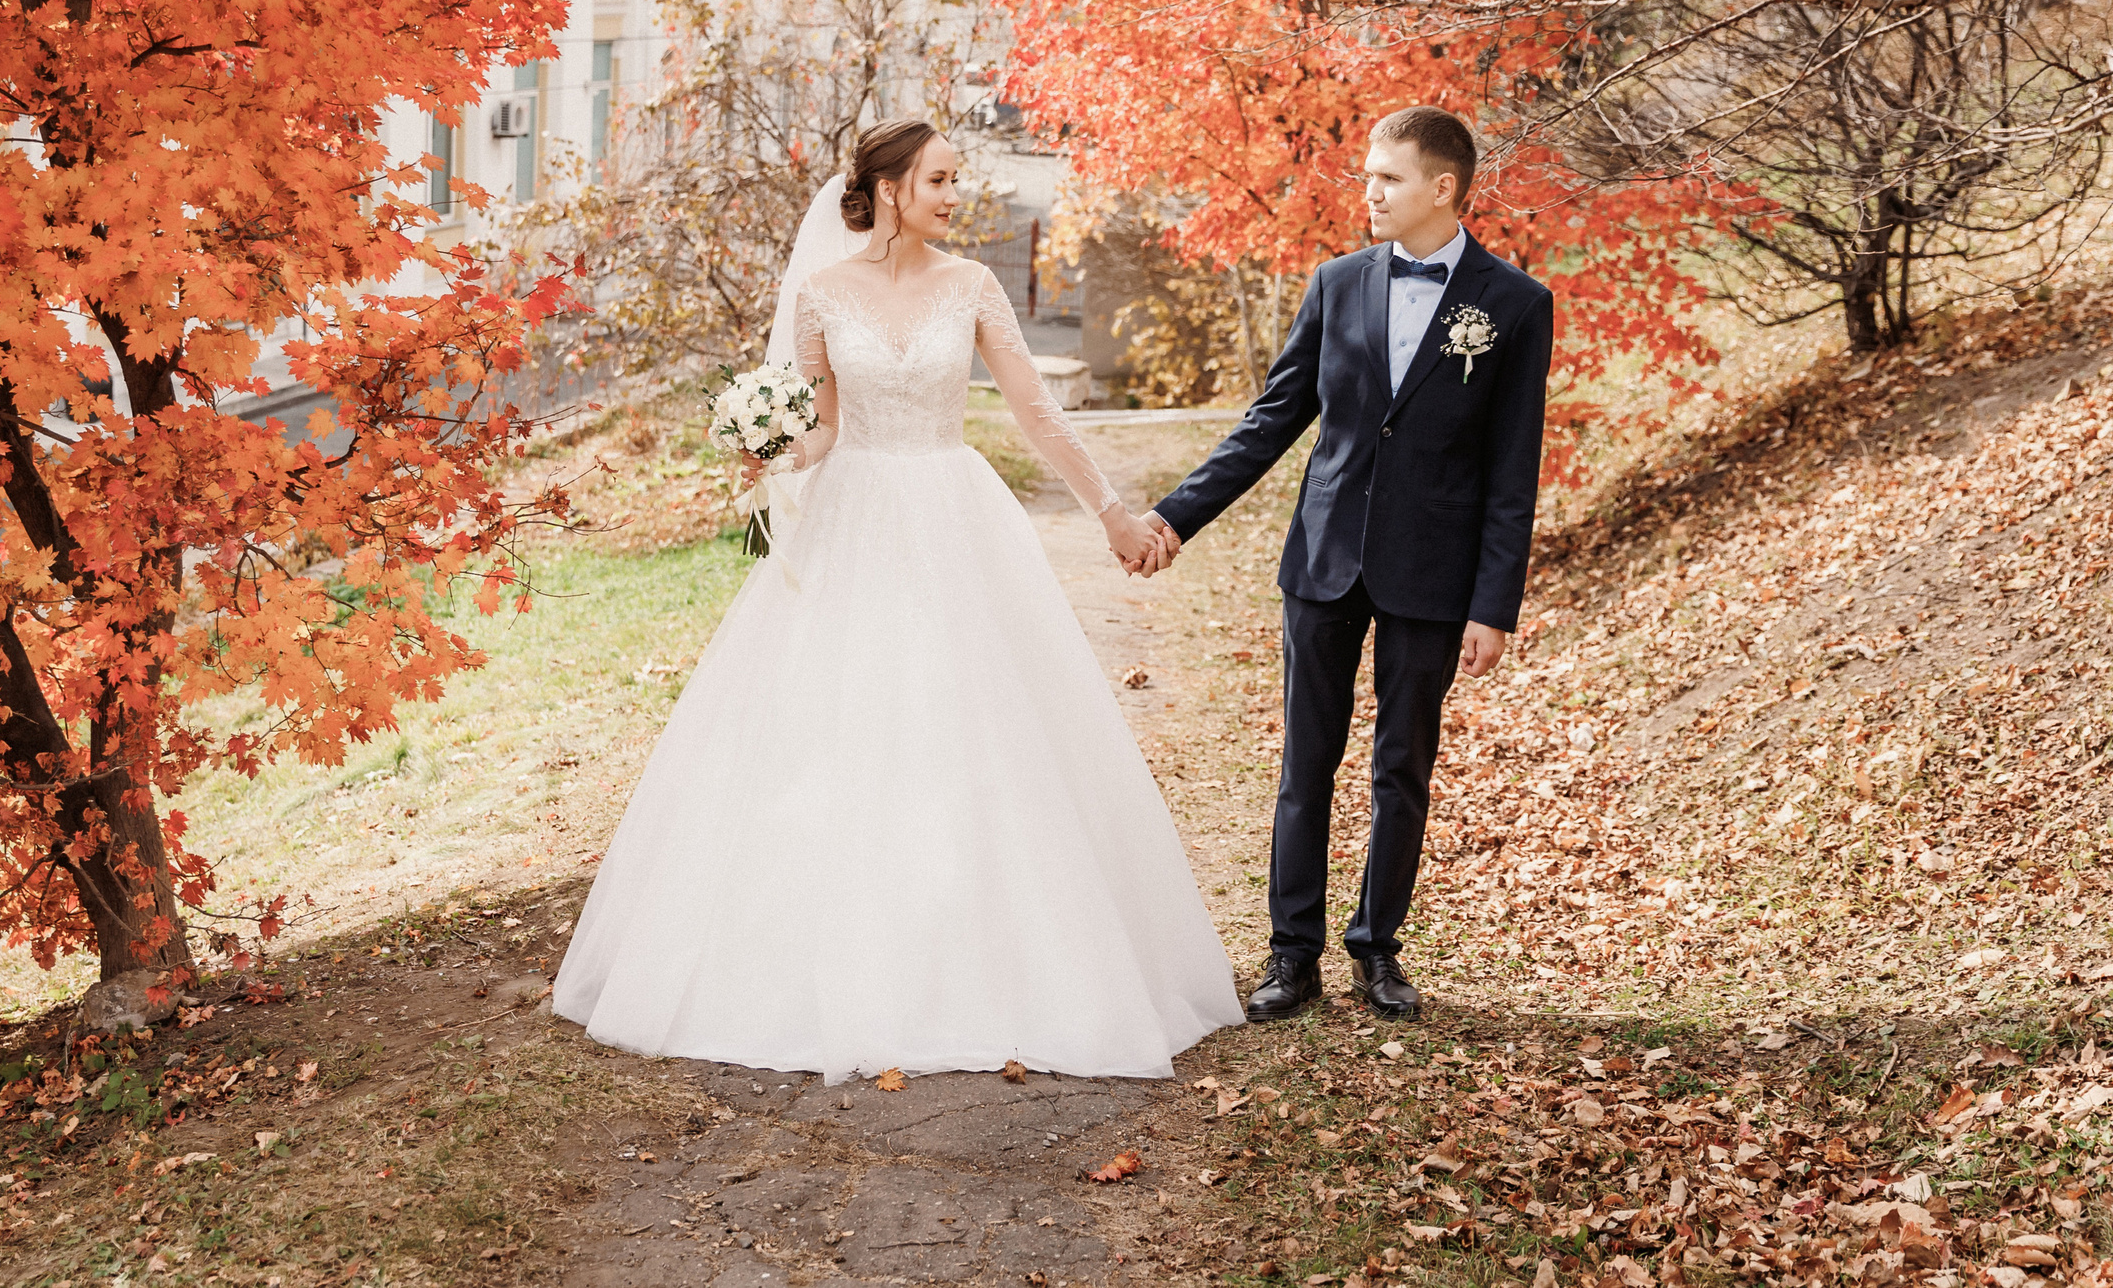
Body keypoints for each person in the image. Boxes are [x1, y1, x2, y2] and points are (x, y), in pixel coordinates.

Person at [555, 119, 1242, 1083]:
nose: (956, 197)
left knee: (975, 723)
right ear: (887, 188)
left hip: (954, 512)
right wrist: (770, 451)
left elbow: (1035, 413)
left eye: (958, 180)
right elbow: (824, 425)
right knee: (836, 725)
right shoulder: (823, 295)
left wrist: (1113, 511)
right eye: (940, 179)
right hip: (854, 515)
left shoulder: (972, 284)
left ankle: (992, 947)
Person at [1126, 106, 1551, 1024]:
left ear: (1443, 187)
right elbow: (1271, 422)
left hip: (1432, 573)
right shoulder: (1336, 283)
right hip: (1323, 559)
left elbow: (1514, 470)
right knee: (1304, 763)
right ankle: (1291, 954)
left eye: (1388, 178)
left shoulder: (1514, 305)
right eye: (1366, 175)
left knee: (1403, 762)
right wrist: (1173, 516)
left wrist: (1495, 603)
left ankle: (1378, 950)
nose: (1369, 192)